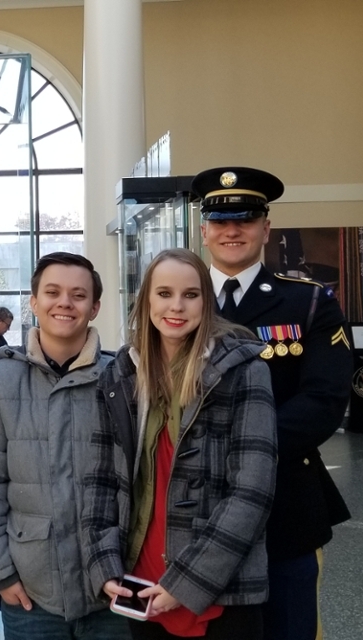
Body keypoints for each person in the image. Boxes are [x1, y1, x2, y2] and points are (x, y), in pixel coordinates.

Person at [83, 248, 278, 639]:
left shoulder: (244, 371)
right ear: (147, 300)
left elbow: (252, 491)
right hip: (141, 580)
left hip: (219, 584)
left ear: (207, 302)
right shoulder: (121, 373)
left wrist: (186, 582)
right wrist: (104, 566)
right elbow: (101, 482)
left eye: (190, 295)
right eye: (164, 293)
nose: (177, 306)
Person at [192, 167, 352, 640]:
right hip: (196, 500)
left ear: (266, 227)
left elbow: (323, 399)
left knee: (289, 626)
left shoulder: (308, 303)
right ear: (204, 232)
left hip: (285, 499)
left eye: (245, 218)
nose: (232, 230)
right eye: (220, 221)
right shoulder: (179, 301)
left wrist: (244, 453)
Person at [0, 252, 128, 639]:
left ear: (95, 306)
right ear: (34, 303)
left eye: (78, 294)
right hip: (30, 594)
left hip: (112, 587)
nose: (64, 302)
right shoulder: (0, 382)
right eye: (52, 292)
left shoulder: (124, 380)